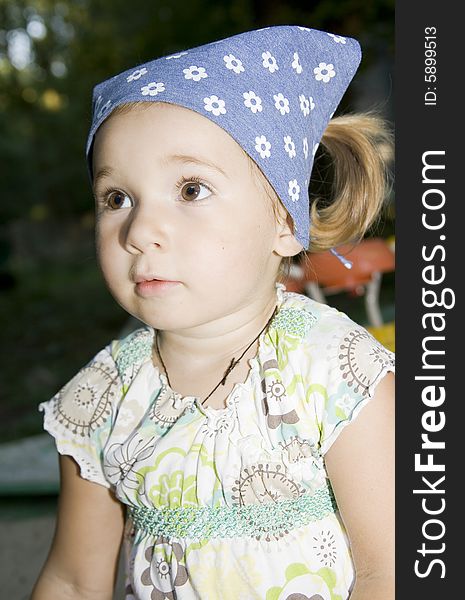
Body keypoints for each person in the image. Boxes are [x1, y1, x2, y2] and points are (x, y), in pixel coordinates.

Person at [32, 24, 395, 600]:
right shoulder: (102, 396)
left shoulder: (337, 371)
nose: (140, 230)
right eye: (117, 198)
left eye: (191, 189)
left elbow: (391, 572)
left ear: (283, 220)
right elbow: (74, 579)